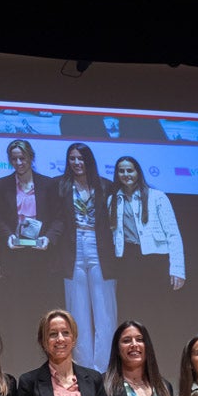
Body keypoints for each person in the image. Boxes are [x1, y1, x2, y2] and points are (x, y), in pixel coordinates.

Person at [0, 139, 63, 334]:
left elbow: (59, 219)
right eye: (14, 159)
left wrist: (48, 238)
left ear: (31, 158)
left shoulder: (48, 184)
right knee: (17, 309)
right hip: (15, 257)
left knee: (42, 310)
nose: (18, 163)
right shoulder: (2, 184)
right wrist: (8, 237)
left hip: (42, 256)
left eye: (22, 158)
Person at [57, 143, 115, 372]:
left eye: (80, 158)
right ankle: (82, 368)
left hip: (99, 248)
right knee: (77, 311)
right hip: (73, 250)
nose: (76, 163)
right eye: (72, 158)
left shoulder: (105, 186)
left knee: (104, 311)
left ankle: (105, 368)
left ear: (88, 160)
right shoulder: (61, 186)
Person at [106, 156, 186, 313]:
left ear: (138, 172)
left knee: (158, 306)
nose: (126, 174)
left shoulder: (157, 196)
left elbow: (173, 234)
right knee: (132, 307)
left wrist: (177, 269)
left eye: (130, 170)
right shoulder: (113, 200)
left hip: (155, 259)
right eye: (121, 171)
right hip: (127, 259)